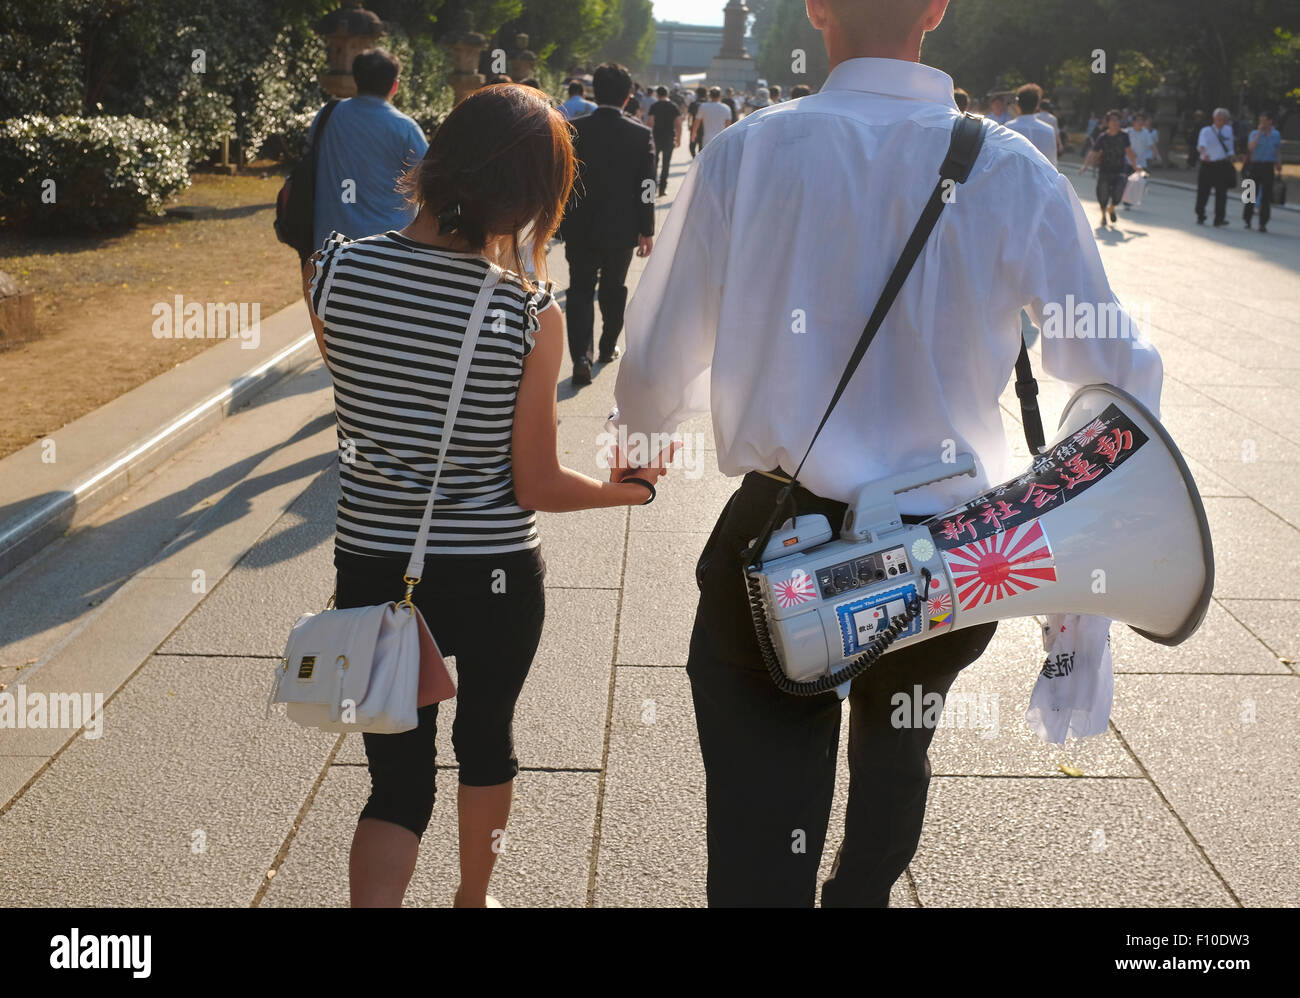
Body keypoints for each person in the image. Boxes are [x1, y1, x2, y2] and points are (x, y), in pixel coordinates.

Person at [608, 0, 1162, 908]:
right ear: (938, 9)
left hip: (786, 530)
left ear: (815, 8)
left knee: (762, 788)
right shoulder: (1014, 169)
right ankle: (860, 890)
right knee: (899, 742)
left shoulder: (750, 150)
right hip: (950, 541)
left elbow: (659, 349)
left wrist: (641, 438)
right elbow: (1111, 362)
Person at [302, 84, 665, 909]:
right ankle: (474, 899)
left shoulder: (335, 269)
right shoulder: (529, 314)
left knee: (394, 777)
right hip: (494, 572)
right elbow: (534, 483)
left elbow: (364, 398)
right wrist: (627, 494)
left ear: (434, 161)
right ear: (535, 199)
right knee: (487, 741)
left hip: (372, 568)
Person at [560, 62, 656, 386]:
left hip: (580, 225)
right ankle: (606, 346)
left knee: (580, 290)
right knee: (614, 289)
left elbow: (563, 179)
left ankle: (580, 357)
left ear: (593, 92)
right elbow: (647, 186)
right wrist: (647, 229)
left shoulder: (573, 129)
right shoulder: (640, 134)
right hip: (622, 228)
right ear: (628, 97)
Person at [307, 48, 427, 258]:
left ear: (355, 81)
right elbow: (427, 181)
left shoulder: (327, 116)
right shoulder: (405, 128)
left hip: (330, 247)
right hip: (388, 249)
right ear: (395, 86)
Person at [1081, 109, 1137, 228]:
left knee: (1118, 194)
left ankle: (1112, 208)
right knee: (1103, 194)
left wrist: (1135, 166)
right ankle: (1103, 216)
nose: (1115, 122)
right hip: (1105, 169)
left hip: (1120, 169)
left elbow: (1129, 151)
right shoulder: (1103, 137)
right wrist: (1085, 166)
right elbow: (1093, 152)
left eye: (1117, 120)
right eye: (1112, 120)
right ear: (1108, 122)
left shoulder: (1124, 136)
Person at [1196, 107, 1236, 227]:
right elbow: (1201, 145)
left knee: (1221, 193)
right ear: (1214, 119)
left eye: (1223, 119)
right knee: (1203, 191)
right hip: (1208, 164)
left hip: (1222, 164)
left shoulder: (1228, 130)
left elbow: (1230, 146)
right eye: (1218, 119)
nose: (1220, 122)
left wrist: (1231, 155)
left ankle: (1219, 218)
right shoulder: (1206, 131)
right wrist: (1204, 154)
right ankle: (1200, 214)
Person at [1243, 111, 1283, 233]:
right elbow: (1250, 148)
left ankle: (1263, 223)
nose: (1262, 123)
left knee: (1266, 196)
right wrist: (1259, 133)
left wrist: (1279, 163)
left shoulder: (1276, 134)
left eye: (1264, 120)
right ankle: (1247, 219)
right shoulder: (1254, 133)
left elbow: (1277, 150)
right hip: (1255, 165)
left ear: (1270, 121)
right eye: (1260, 121)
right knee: (1250, 193)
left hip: (1268, 166)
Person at [1005, 83, 1058, 168]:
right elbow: (1052, 163)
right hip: (1040, 180)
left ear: (1018, 103)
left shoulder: (1008, 128)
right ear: (1037, 105)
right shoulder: (1049, 130)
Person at [648, 85, 684, 197]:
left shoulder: (654, 105)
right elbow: (678, 123)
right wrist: (678, 139)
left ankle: (651, 190)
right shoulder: (673, 106)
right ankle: (662, 190)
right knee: (666, 164)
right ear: (667, 94)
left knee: (653, 164)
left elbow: (650, 122)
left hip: (655, 138)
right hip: (669, 138)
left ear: (657, 95)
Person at [688, 86, 708, 157]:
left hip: (694, 126)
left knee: (692, 145)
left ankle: (694, 158)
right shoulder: (708, 104)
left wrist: (689, 124)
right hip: (705, 127)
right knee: (701, 145)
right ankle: (699, 160)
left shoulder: (693, 104)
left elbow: (689, 116)